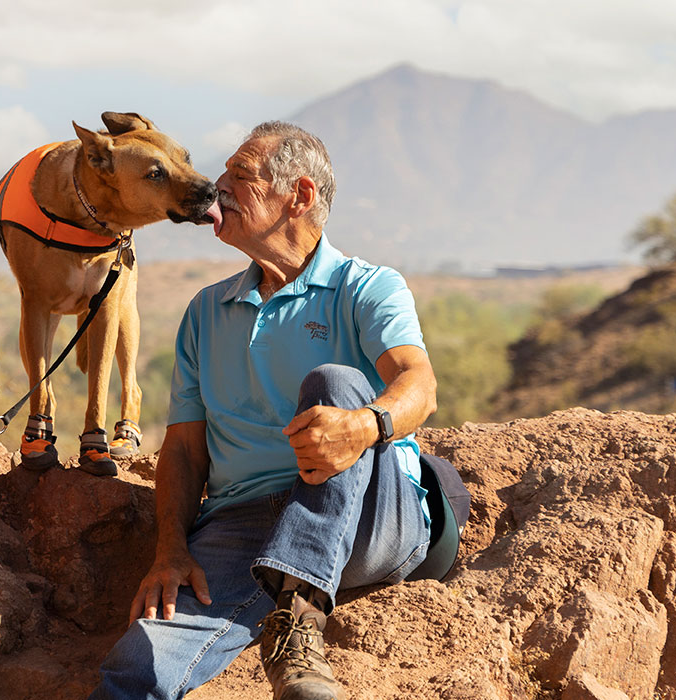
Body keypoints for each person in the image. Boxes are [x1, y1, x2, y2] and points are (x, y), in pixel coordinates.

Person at [90, 121, 438, 700]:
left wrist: (363, 425)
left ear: (299, 196)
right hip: (243, 523)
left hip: (370, 511)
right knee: (135, 671)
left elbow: (419, 384)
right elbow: (181, 448)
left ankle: (298, 623)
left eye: (240, 175)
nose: (217, 185)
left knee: (337, 382)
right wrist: (171, 552)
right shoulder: (206, 310)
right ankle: (286, 586)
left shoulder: (368, 286)